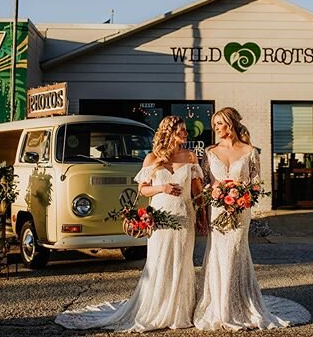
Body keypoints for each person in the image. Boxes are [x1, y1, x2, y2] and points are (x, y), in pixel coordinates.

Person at [56, 115, 203, 332]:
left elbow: (198, 190)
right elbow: (142, 189)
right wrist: (162, 188)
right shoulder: (152, 158)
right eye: (181, 130)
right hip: (161, 216)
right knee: (160, 260)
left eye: (185, 130)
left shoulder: (191, 157)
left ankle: (180, 310)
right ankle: (156, 307)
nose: (185, 133)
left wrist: (206, 208)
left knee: (182, 260)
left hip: (183, 214)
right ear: (169, 133)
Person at [193, 107, 311, 330]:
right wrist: (215, 193)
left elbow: (256, 185)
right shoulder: (209, 152)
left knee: (236, 252)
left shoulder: (249, 151)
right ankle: (219, 307)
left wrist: (241, 197)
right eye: (214, 124)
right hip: (217, 211)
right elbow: (204, 184)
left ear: (230, 124)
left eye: (220, 123)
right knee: (218, 254)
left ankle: (238, 305)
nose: (216, 128)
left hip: (240, 211)